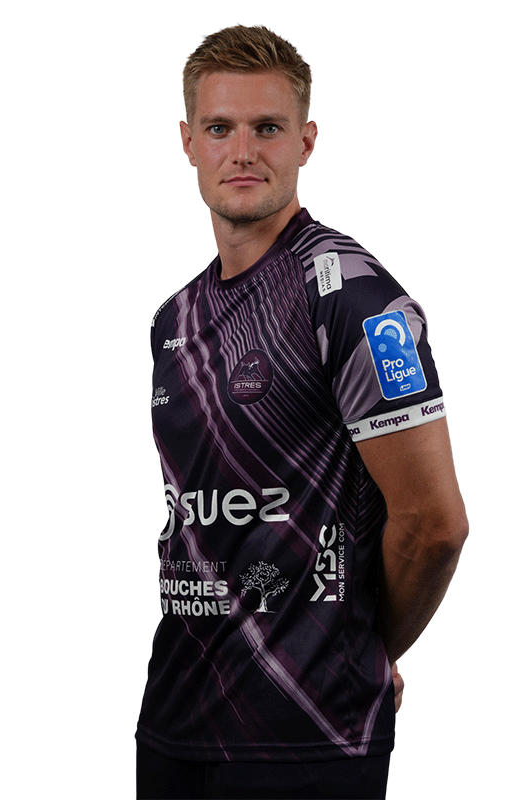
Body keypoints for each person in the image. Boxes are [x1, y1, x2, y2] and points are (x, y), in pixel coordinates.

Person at [136, 25, 468, 800]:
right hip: (176, 718)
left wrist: (365, 646)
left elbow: (434, 524)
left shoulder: (353, 298)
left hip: (307, 733)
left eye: (267, 128)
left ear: (305, 142)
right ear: (188, 142)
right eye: (219, 128)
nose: (242, 151)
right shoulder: (172, 318)